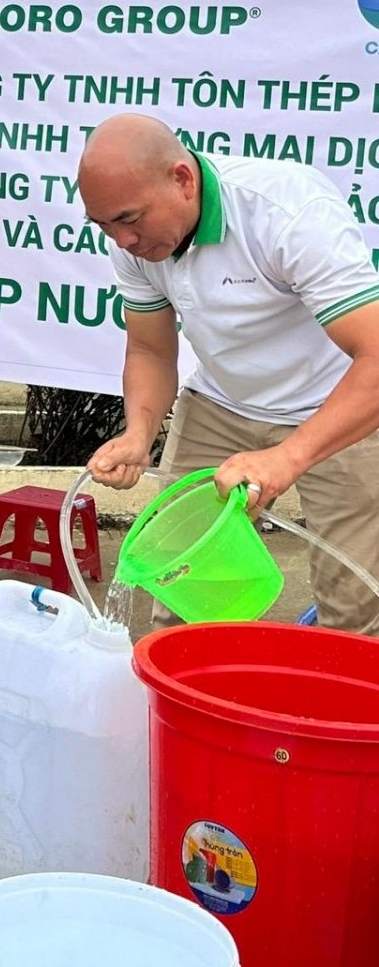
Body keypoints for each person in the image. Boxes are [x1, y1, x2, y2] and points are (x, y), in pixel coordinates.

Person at [79, 113, 379, 635]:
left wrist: (288, 456)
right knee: (183, 590)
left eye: (129, 219)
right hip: (219, 405)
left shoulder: (286, 212)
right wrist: (138, 434)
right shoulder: (134, 243)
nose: (122, 239)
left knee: (354, 606)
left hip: (334, 407)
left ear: (182, 179)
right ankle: (188, 685)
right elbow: (150, 349)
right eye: (104, 225)